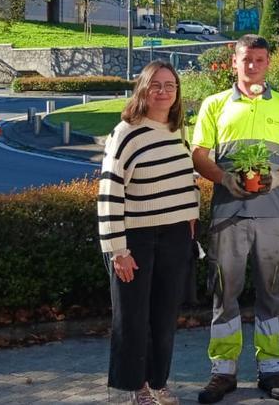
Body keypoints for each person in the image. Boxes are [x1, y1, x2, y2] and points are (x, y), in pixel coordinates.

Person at [191, 35, 279, 403]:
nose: (253, 65)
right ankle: (223, 372)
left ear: (268, 62)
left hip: (272, 217)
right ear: (234, 63)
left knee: (271, 293)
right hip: (228, 216)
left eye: (260, 59)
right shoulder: (214, 104)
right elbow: (199, 154)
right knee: (226, 294)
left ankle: (271, 370)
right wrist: (223, 178)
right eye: (246, 59)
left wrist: (278, 178)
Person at [98, 60, 200, 405]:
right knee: (133, 318)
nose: (163, 91)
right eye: (156, 85)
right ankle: (137, 387)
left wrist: (190, 218)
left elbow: (186, 181)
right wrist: (117, 250)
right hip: (136, 240)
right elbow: (110, 193)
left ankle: (159, 382)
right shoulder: (125, 133)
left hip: (174, 237)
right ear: (142, 89)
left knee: (163, 317)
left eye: (170, 85)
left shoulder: (176, 130)